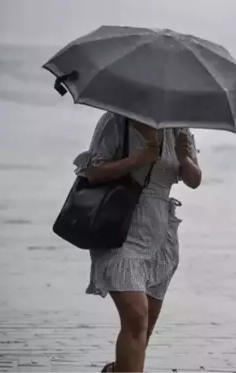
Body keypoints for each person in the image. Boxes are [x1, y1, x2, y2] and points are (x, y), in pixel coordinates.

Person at [72, 112, 202, 373]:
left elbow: (194, 180)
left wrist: (185, 158)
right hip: (120, 230)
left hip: (161, 237)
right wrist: (138, 160)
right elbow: (93, 173)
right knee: (136, 320)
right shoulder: (116, 121)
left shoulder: (178, 127)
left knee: (143, 330)